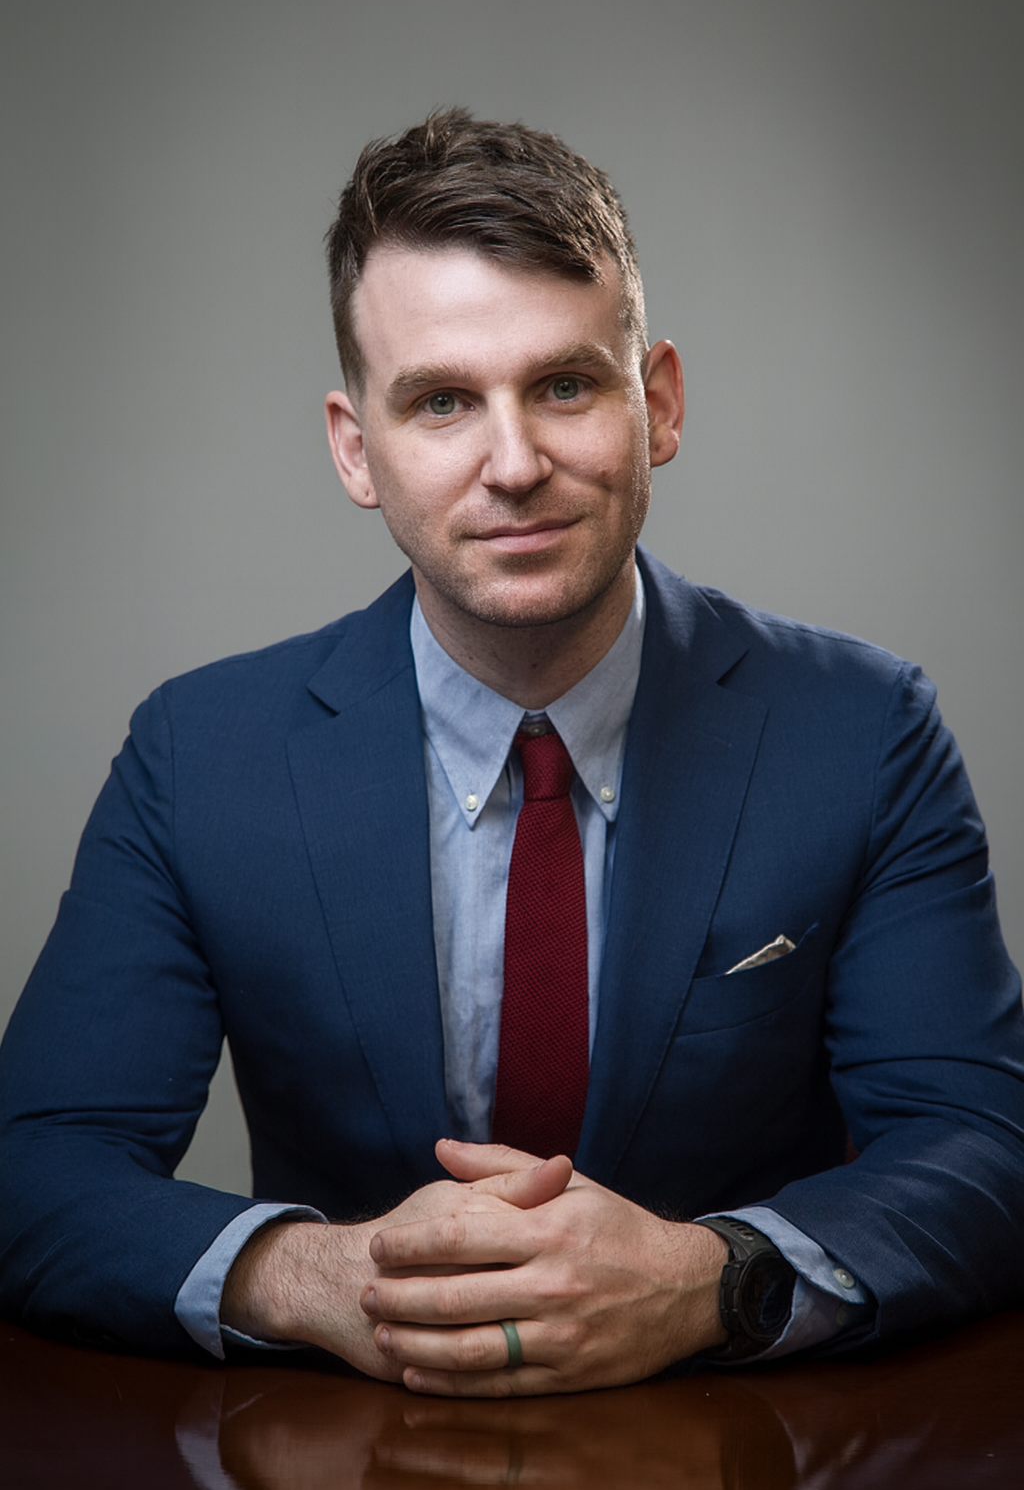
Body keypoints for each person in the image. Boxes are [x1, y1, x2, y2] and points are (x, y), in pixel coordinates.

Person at [2, 110, 1023, 1398]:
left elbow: (985, 1146)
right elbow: (33, 1166)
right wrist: (322, 1279)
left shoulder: (865, 731)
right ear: (354, 448)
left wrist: (716, 1277)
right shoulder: (198, 755)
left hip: (738, 1442)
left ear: (655, 403)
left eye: (563, 384)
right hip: (344, 1451)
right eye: (440, 402)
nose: (516, 463)